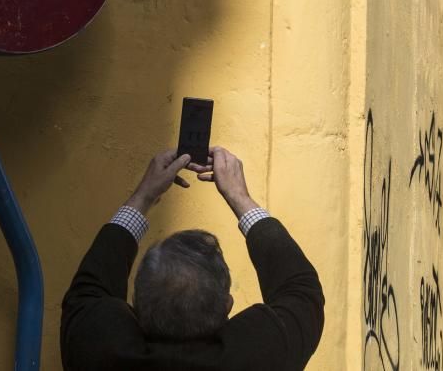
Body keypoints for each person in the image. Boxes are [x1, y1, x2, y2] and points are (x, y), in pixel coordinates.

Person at [61, 147, 325, 370]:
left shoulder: (96, 351)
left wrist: (144, 196)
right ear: (227, 306)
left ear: (136, 305)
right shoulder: (257, 358)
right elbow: (302, 292)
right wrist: (239, 197)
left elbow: (89, 287)